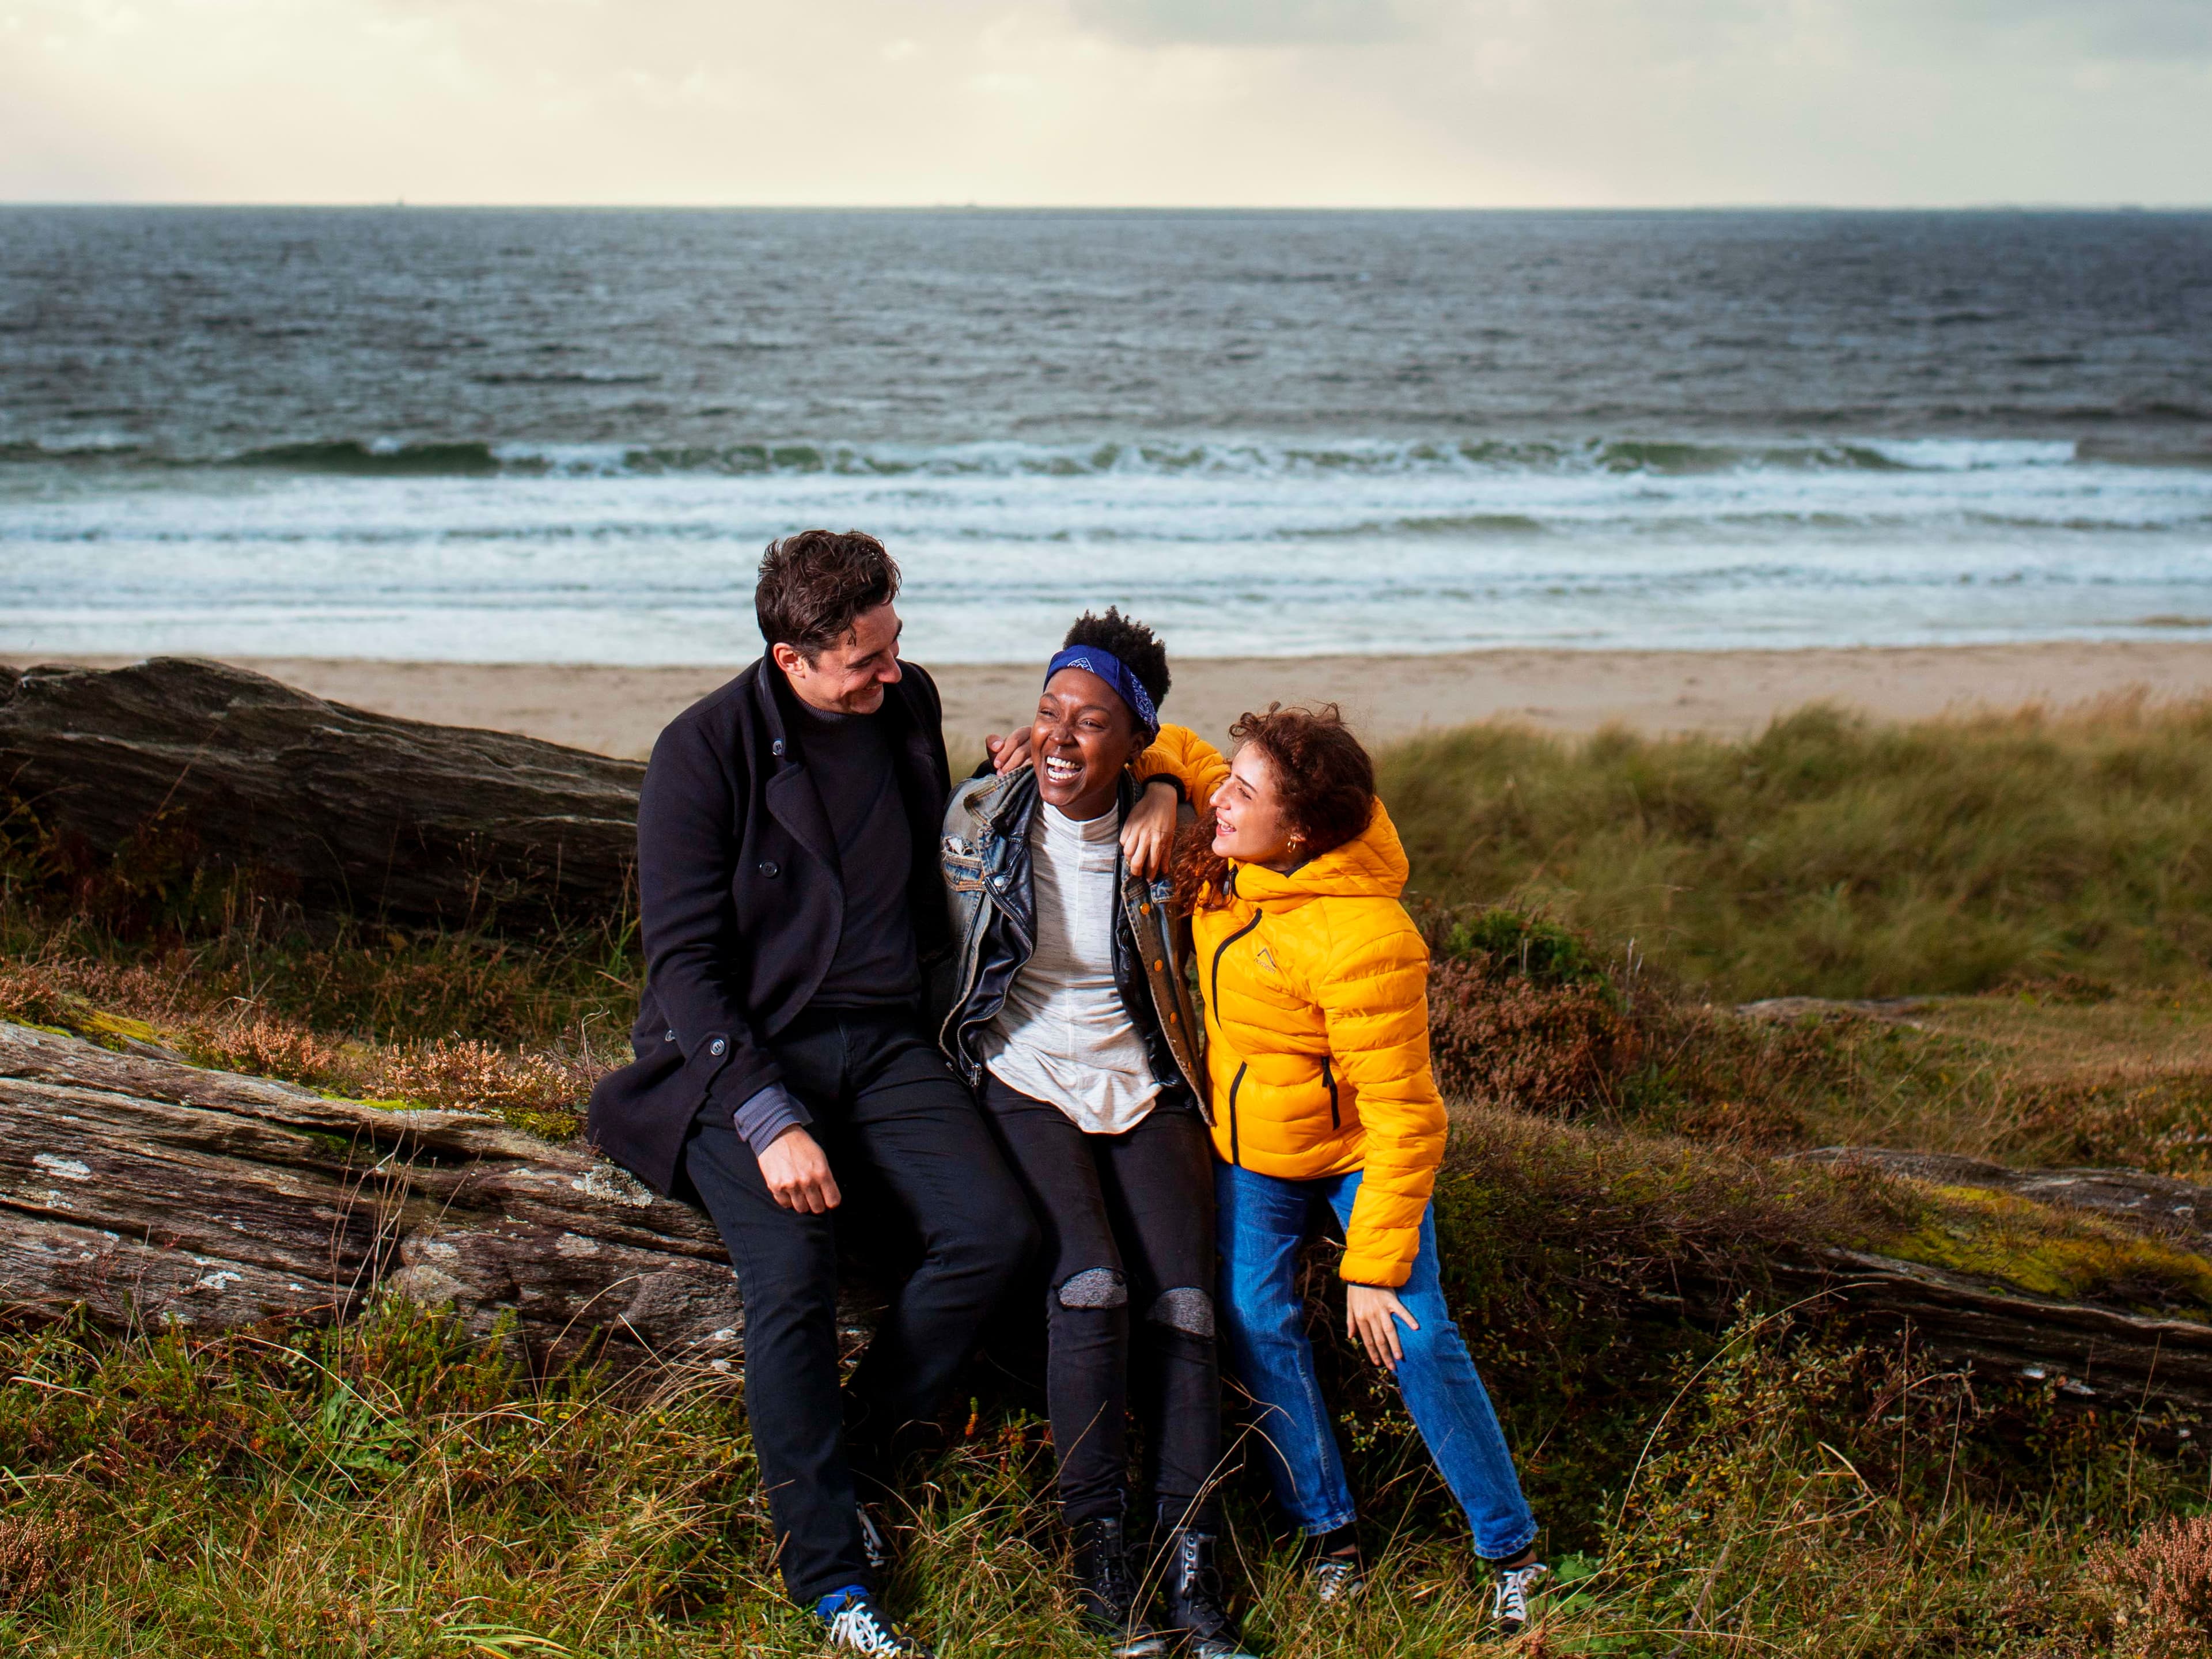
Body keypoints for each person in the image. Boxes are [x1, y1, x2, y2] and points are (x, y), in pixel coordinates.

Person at [587, 529, 1040, 1658]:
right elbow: (683, 969)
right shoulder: (702, 753)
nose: (893, 674)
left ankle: (855, 1467)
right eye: (865, 661)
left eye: (895, 645)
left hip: (887, 1046)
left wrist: (999, 786)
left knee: (998, 1231)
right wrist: (769, 1118)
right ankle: (831, 1580)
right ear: (792, 659)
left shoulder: (907, 701)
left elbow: (922, 855)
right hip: (747, 1055)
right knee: (794, 1267)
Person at [1145, 704, 1549, 1631]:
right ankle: (1329, 1534)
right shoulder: (1238, 843)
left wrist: (1369, 1271)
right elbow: (1176, 743)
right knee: (1253, 1316)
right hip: (1256, 1152)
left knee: (1413, 1329)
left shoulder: (1365, 937)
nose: (1223, 802)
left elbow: (1407, 1117)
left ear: (1300, 831)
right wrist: (1166, 783)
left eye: (1244, 796)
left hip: (1361, 1152)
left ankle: (1513, 1553)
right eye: (1230, 786)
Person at [935, 609, 1255, 1659]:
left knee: (1190, 1304)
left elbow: (1240, 798)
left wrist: (1168, 791)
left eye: (1093, 723)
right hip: (1022, 1070)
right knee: (1093, 1285)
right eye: (1049, 713)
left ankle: (1195, 1557)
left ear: (1138, 739)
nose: (1064, 738)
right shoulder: (980, 817)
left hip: (1145, 1073)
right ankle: (1102, 1555)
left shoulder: (1179, 831)